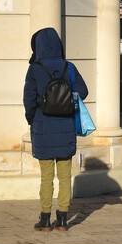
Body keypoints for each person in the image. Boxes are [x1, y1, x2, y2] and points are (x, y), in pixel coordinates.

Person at [23, 27, 88, 232]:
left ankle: (44, 218)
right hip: (66, 125)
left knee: (46, 176)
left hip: (43, 126)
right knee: (65, 175)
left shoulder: (34, 69)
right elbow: (83, 91)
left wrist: (32, 117)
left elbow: (28, 99)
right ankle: (62, 219)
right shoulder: (68, 67)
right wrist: (67, 101)